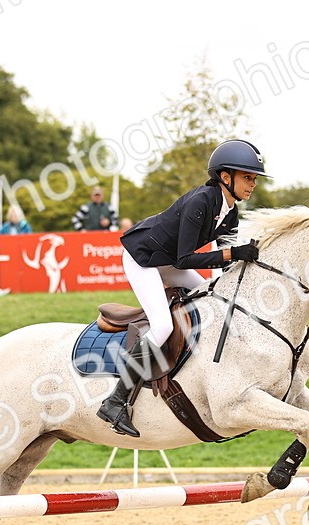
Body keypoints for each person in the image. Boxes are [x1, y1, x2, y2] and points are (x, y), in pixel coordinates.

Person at [97, 139, 267, 437]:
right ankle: (115, 401)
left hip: (167, 260)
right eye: (247, 177)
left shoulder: (231, 212)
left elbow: (224, 265)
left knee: (212, 296)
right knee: (161, 326)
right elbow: (186, 258)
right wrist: (233, 254)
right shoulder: (201, 201)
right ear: (225, 177)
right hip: (144, 259)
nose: (252, 184)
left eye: (254, 178)